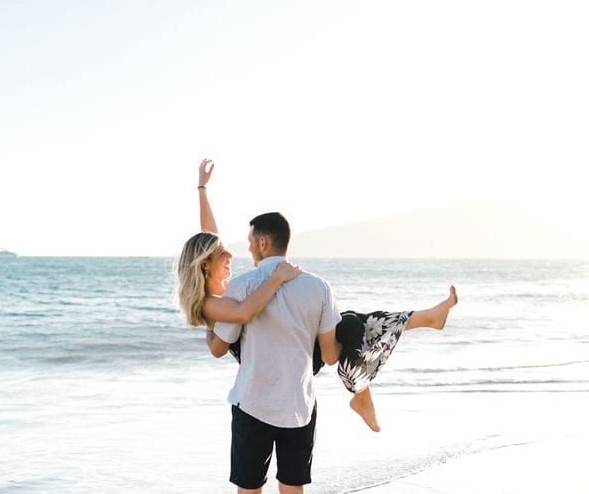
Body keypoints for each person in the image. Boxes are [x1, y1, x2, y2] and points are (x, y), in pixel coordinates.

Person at [177, 159, 458, 433]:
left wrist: (202, 189)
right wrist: (276, 278)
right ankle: (362, 389)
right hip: (271, 362)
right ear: (204, 264)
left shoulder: (232, 287)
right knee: (348, 325)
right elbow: (234, 327)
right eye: (221, 254)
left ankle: (417, 327)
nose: (230, 254)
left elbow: (208, 235)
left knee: (349, 322)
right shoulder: (211, 301)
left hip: (291, 353)